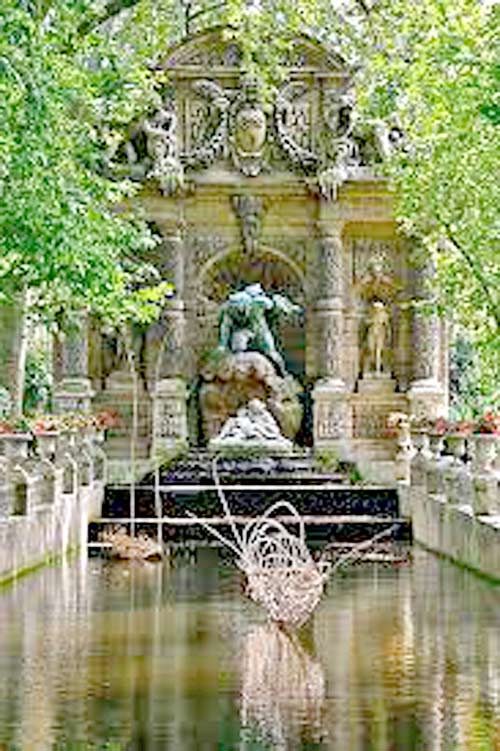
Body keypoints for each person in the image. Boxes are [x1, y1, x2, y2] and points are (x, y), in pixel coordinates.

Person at [218, 283, 301, 375]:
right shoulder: (229, 310)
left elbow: (274, 305)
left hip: (260, 329)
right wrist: (222, 344)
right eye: (238, 308)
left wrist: (289, 308)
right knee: (238, 347)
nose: (241, 310)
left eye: (243, 307)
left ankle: (283, 372)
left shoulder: (258, 304)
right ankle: (236, 370)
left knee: (271, 352)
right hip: (242, 329)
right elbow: (225, 328)